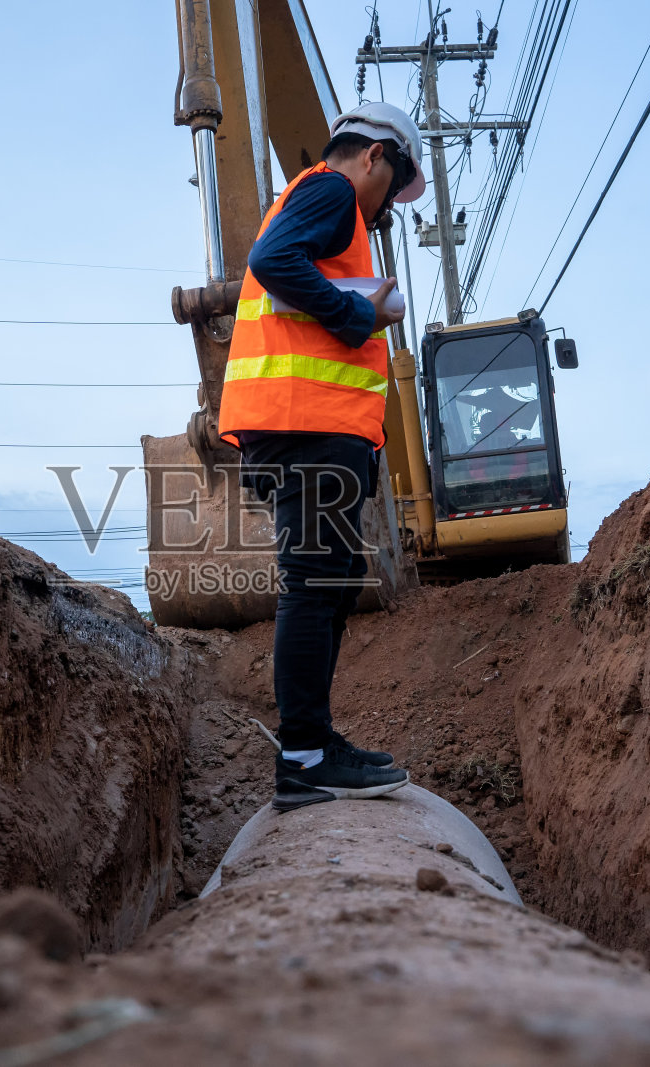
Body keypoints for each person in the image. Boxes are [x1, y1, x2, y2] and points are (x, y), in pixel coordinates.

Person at [217, 102, 425, 812]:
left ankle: (316, 745)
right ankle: (303, 756)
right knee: (313, 582)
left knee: (329, 583)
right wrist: (355, 314)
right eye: (394, 186)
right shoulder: (333, 190)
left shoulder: (332, 207)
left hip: (310, 430)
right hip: (302, 429)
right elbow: (271, 261)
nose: (389, 206)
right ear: (373, 156)